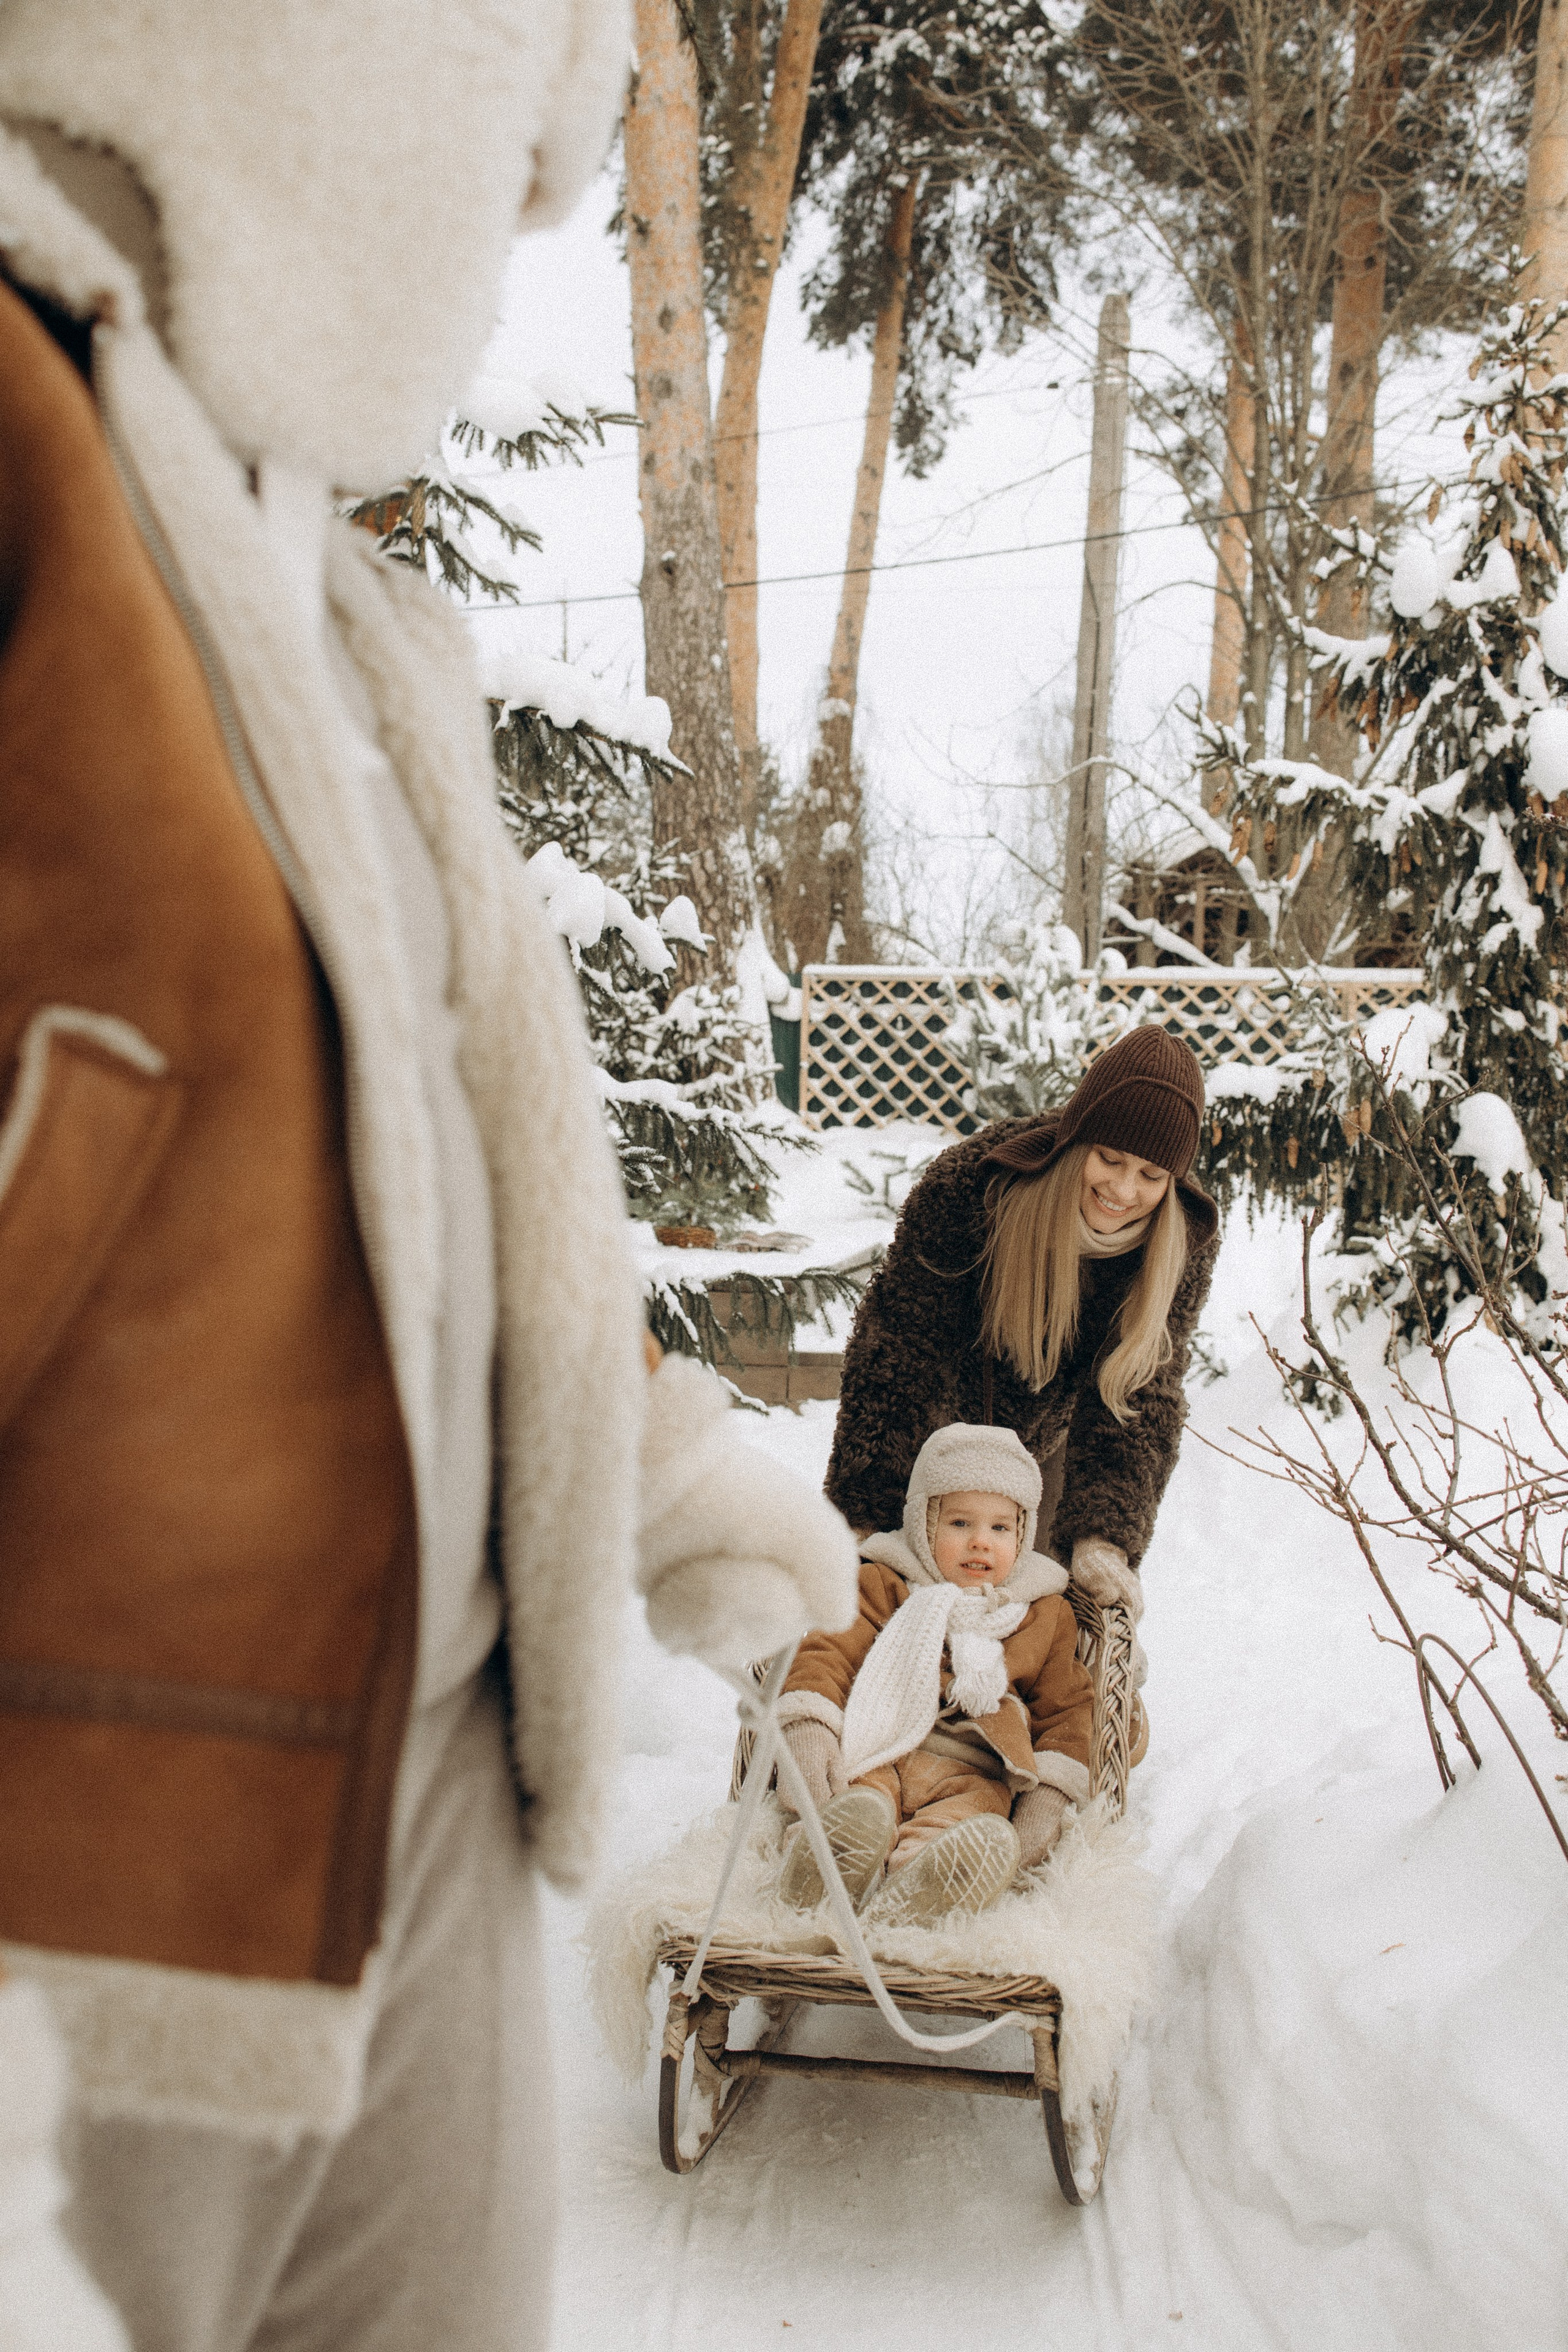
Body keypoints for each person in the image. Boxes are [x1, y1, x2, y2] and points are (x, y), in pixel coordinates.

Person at [0, 11, 858, 2349]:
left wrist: (661, 1477)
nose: (542, 212)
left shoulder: (349, 619)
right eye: (520, 119)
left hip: (439, 1775)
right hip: (97, 1877)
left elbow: (466, 1172)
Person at [824, 1025, 1221, 1643]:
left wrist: (1103, 1538)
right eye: (1109, 1158)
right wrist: (863, 1507)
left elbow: (1138, 1397)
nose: (1123, 1189)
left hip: (1048, 1445)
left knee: (1041, 1620)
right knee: (893, 1602)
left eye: (1149, 1174)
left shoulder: (1180, 1246)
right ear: (1075, 1138)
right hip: (934, 1432)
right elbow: (899, 1351)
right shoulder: (972, 1189)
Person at [773, 1423, 1094, 1931]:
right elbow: (828, 1650)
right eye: (961, 1523)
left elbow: (1068, 1710)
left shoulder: (1043, 1612)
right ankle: (827, 1865)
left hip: (975, 1769)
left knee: (973, 1821)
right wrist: (810, 1728)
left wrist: (1049, 1797)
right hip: (878, 1743)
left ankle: (921, 1889)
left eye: (1000, 1528)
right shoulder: (883, 1581)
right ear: (924, 1523)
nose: (980, 1544)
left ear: (1025, 1533)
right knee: (861, 1806)